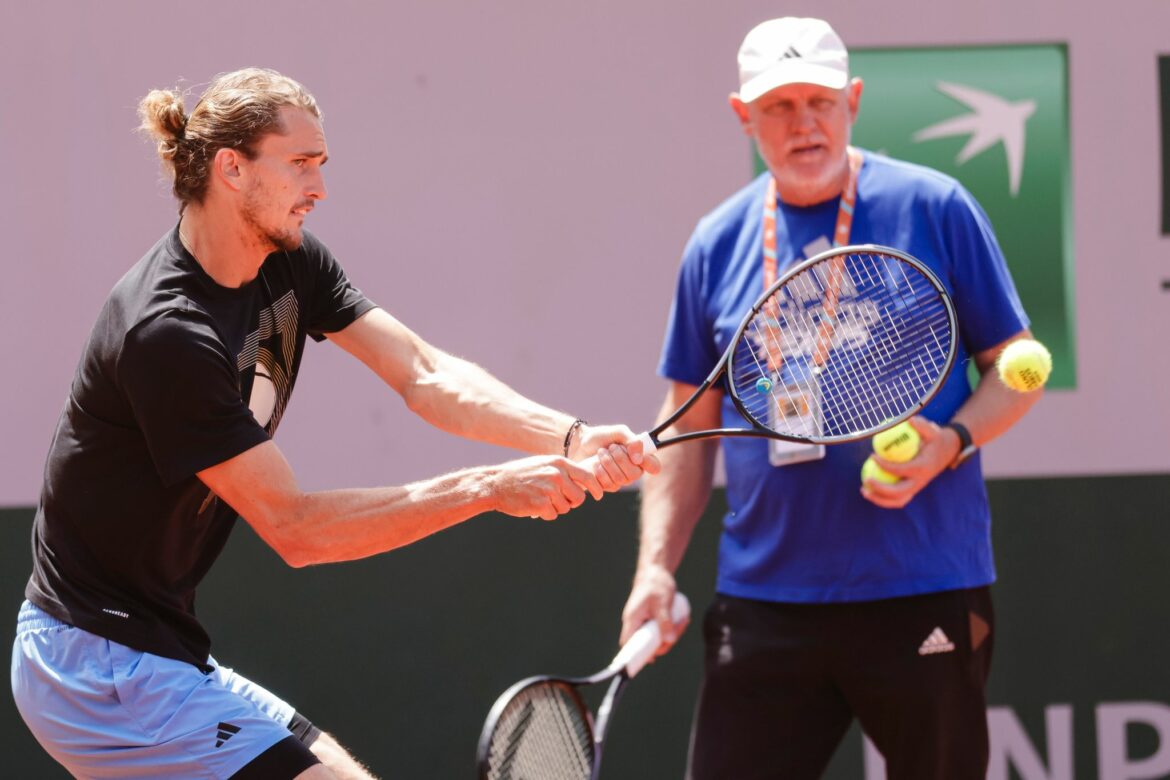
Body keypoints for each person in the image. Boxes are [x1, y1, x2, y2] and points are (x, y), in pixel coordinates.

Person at [10, 68, 657, 780]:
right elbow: (297, 530)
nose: (319, 187)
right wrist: (490, 488)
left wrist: (568, 436)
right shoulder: (168, 334)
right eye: (300, 164)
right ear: (232, 168)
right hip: (95, 665)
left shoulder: (287, 264)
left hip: (154, 650)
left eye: (322, 164)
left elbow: (422, 372)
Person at [619, 17, 1043, 780]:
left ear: (852, 100)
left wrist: (950, 443)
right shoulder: (715, 243)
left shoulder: (936, 206)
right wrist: (656, 568)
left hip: (923, 584)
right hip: (764, 602)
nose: (803, 123)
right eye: (779, 106)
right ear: (743, 116)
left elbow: (1013, 365)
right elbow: (688, 423)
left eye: (818, 100)